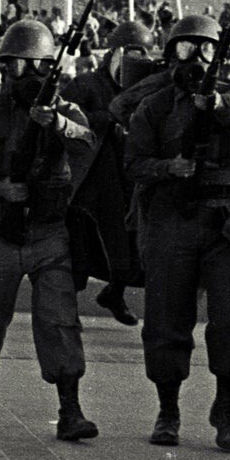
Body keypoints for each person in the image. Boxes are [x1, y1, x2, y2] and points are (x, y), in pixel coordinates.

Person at [0, 19, 100, 441]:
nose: (27, 76)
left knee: (59, 320)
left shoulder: (65, 112)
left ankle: (70, 407)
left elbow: (89, 143)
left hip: (49, 233)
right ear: (3, 70)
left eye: (37, 67)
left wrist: (56, 125)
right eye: (17, 66)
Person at [122, 13, 230, 451]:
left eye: (206, 49)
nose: (196, 58)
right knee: (165, 319)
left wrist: (214, 105)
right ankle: (168, 409)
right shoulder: (155, 106)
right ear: (170, 54)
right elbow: (134, 163)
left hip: (223, 224)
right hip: (172, 220)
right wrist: (169, 167)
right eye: (185, 48)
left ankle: (225, 407)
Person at [65, 20, 159, 326]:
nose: (135, 62)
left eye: (141, 55)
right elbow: (66, 118)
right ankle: (66, 309)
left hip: (128, 179)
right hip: (91, 182)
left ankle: (114, 293)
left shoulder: (148, 90)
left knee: (131, 246)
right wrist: (107, 119)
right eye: (130, 54)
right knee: (81, 248)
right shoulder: (86, 85)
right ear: (114, 54)